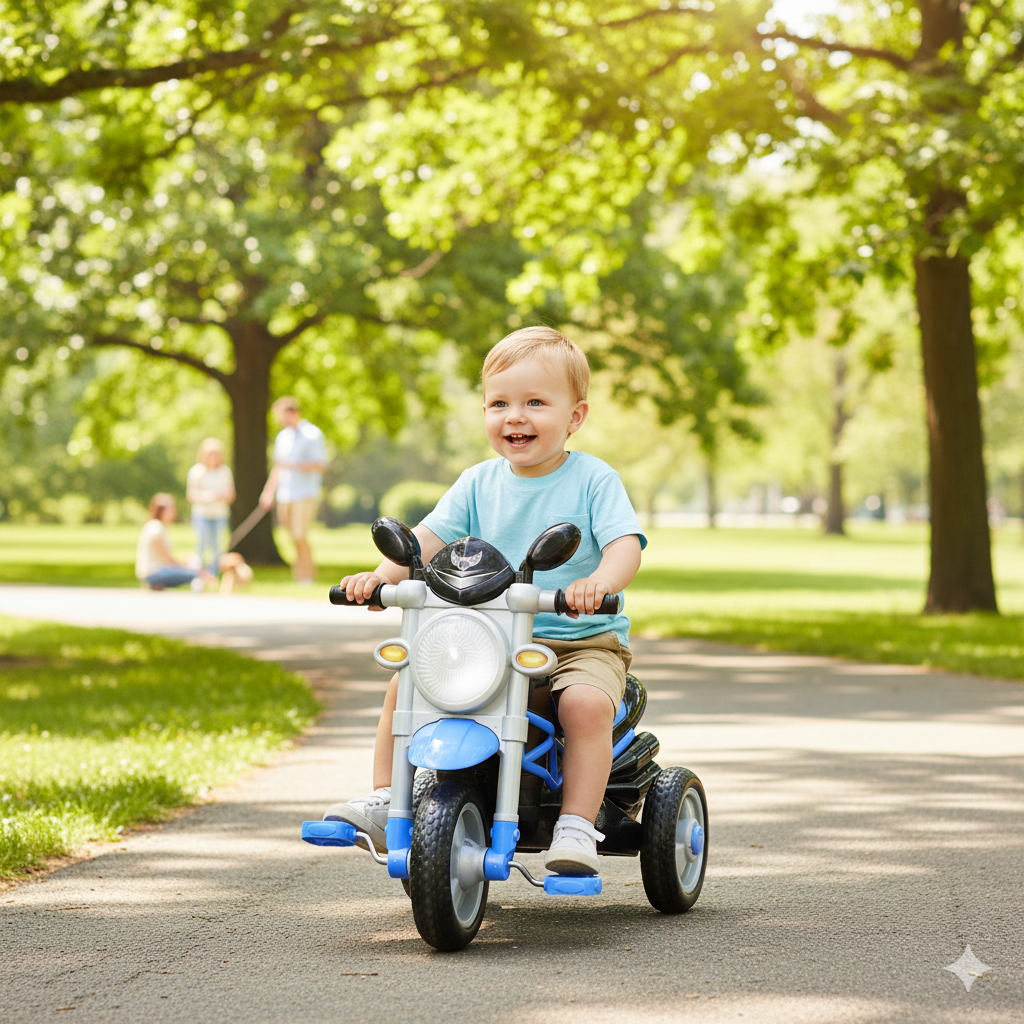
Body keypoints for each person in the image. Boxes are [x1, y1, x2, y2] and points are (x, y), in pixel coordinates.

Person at [325, 327, 646, 875]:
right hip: (486, 641)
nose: (514, 417)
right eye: (499, 403)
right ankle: (386, 798)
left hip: (578, 641)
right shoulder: (477, 482)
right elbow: (425, 540)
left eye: (535, 403)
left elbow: (624, 546)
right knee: (407, 683)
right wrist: (378, 580)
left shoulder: (594, 479)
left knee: (584, 706)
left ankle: (575, 827)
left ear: (576, 416)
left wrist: (601, 584)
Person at [259, 396, 327, 585]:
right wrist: (268, 492)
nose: (280, 420)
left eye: (281, 415)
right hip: (285, 494)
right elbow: (278, 467)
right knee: (291, 535)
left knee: (299, 534)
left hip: (306, 493)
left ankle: (308, 574)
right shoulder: (283, 437)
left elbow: (321, 465)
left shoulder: (313, 434)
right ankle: (299, 572)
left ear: (292, 413)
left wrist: (296, 465)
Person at [136, 494, 216, 591]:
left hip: (157, 571)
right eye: (171, 509)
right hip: (153, 573)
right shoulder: (156, 528)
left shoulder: (159, 527)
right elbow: (167, 560)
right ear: (162, 511)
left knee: (193, 569)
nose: (175, 512)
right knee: (194, 574)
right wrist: (190, 567)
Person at [186, 438, 235, 575]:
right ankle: (199, 575)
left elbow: (231, 495)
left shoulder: (224, 471)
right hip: (202, 514)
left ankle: (214, 574)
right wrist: (208, 496)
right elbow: (191, 495)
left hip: (220, 514)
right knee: (201, 545)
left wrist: (221, 495)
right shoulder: (197, 471)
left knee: (218, 546)